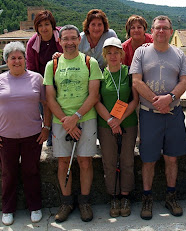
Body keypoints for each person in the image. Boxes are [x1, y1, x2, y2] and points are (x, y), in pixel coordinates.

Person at [0, 42, 51, 225]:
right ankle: (7, 209)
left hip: (32, 135)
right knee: (8, 173)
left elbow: (46, 105)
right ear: (7, 61)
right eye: (12, 58)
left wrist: (46, 127)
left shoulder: (36, 78)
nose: (16, 61)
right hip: (6, 137)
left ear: (25, 60)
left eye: (20, 57)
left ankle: (35, 207)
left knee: (32, 171)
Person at [130, 15, 186, 220]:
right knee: (148, 159)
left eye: (165, 28)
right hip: (149, 114)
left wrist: (170, 98)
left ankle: (171, 196)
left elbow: (184, 81)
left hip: (173, 114)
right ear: (152, 31)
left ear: (171, 31)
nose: (161, 31)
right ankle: (147, 198)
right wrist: (158, 101)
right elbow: (137, 81)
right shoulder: (141, 52)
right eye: (158, 28)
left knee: (172, 158)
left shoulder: (179, 54)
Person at [44, 25, 103, 222]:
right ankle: (66, 202)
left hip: (85, 118)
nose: (69, 42)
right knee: (62, 162)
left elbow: (94, 94)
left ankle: (85, 202)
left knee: (85, 161)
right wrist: (66, 121)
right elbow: (50, 97)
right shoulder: (51, 65)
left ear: (79, 39)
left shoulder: (90, 62)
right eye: (65, 39)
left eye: (73, 38)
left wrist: (76, 117)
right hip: (60, 120)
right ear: (60, 41)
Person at [95, 37, 139, 217]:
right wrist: (111, 121)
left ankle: (125, 195)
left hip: (127, 123)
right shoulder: (99, 74)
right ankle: (113, 195)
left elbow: (135, 99)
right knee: (109, 161)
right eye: (109, 53)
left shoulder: (129, 72)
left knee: (127, 160)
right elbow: (96, 100)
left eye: (116, 52)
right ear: (104, 55)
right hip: (106, 125)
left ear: (122, 54)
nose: (113, 56)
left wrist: (118, 120)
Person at [26, 10, 62, 146]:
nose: (44, 28)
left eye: (47, 24)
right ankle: (51, 139)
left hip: (63, 81)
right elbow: (31, 68)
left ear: (52, 25)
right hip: (43, 83)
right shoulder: (32, 43)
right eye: (40, 25)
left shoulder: (61, 36)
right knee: (45, 110)